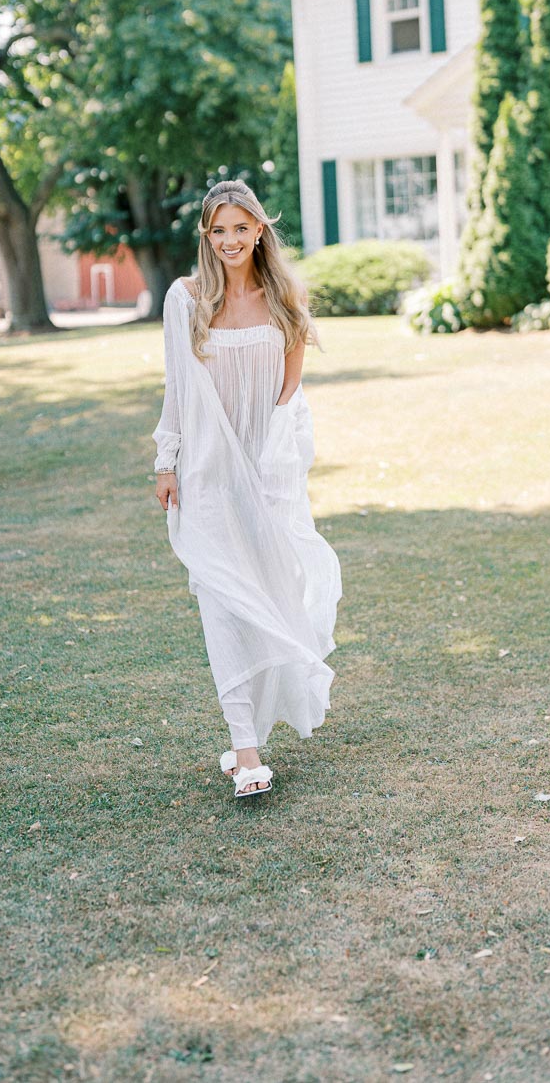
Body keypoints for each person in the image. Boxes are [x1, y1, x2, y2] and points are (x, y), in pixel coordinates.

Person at [152, 180, 342, 800]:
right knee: (222, 603)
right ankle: (247, 747)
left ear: (260, 228)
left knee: (272, 598)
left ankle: (247, 734)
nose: (230, 240)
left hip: (264, 476)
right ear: (206, 235)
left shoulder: (284, 298)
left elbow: (289, 393)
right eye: (218, 229)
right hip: (207, 478)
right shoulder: (186, 300)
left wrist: (274, 468)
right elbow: (177, 388)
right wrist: (167, 459)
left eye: (241, 227)